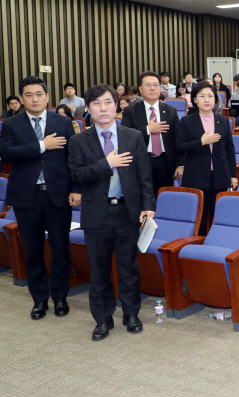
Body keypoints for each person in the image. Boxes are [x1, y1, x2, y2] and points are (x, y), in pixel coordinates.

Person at [68, 84, 155, 341]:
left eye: (107, 102)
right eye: (96, 104)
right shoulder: (78, 141)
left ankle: (131, 314)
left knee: (129, 267)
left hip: (128, 210)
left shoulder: (133, 136)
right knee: (99, 269)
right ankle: (103, 319)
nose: (103, 108)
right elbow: (77, 175)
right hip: (97, 213)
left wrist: (148, 206)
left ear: (116, 105)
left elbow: (144, 175)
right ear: (89, 109)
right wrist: (107, 164)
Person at [0, 76, 80, 320]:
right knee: (33, 251)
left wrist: (76, 189)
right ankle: (39, 301)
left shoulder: (63, 122)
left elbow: (74, 158)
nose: (34, 99)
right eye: (28, 95)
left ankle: (60, 298)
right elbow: (6, 152)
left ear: (47, 97)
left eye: (39, 94)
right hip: (27, 197)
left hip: (57, 195)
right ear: (22, 99)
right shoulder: (11, 124)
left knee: (60, 250)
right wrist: (42, 145)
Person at [177, 81, 237, 236]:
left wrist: (233, 175)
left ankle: (217, 245)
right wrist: (201, 142)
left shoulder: (224, 121)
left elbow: (229, 149)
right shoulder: (187, 121)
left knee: (219, 216)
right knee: (199, 218)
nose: (206, 99)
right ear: (195, 100)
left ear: (215, 99)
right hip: (196, 177)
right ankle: (198, 250)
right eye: (202, 96)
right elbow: (179, 147)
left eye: (210, 96)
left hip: (220, 176)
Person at [122, 71, 183, 198]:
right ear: (140, 88)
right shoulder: (130, 111)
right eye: (148, 85)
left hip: (165, 162)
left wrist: (180, 164)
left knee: (165, 199)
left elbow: (178, 139)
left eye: (156, 85)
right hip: (142, 161)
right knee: (143, 199)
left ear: (160, 88)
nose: (152, 88)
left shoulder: (171, 111)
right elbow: (125, 136)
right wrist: (148, 129)